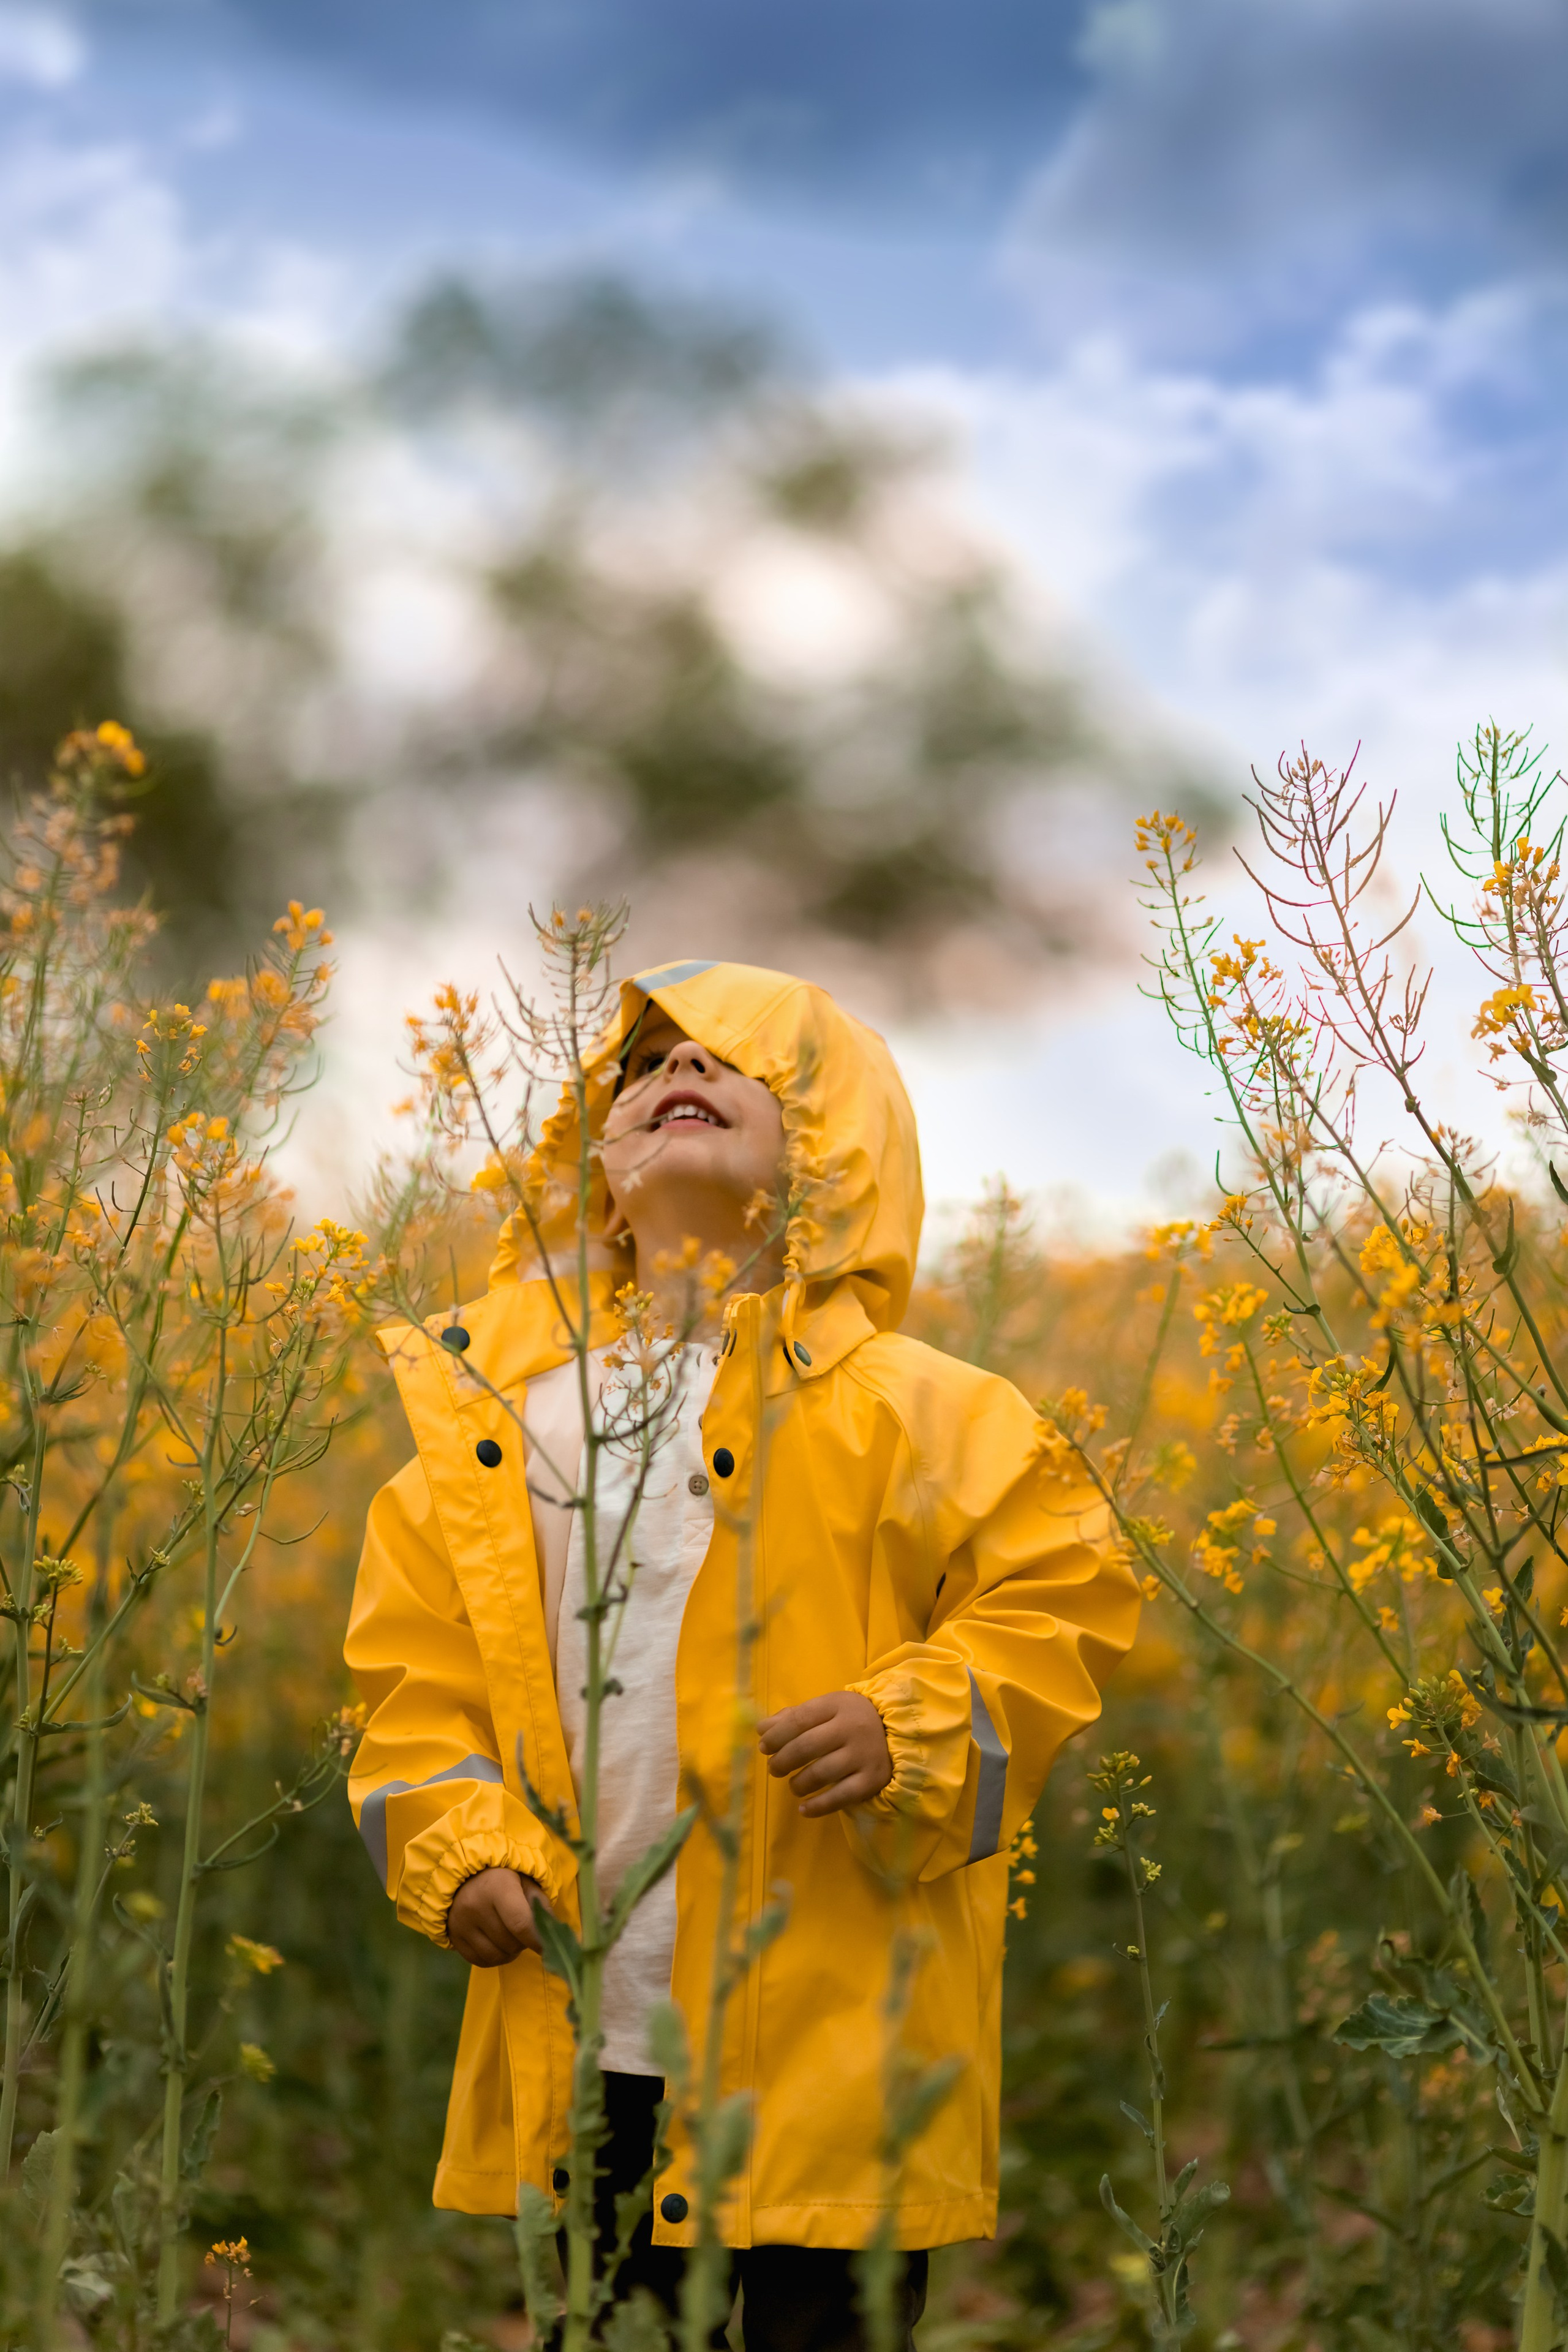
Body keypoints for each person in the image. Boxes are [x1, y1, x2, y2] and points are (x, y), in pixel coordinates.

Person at [345, 959, 1140, 2350]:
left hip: (831, 2064)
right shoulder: (494, 1419)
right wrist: (457, 1848)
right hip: (585, 2029)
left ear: (836, 1147)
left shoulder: (922, 1408)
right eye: (642, 1063)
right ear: (595, 1157)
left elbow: (1058, 1602)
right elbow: (415, 1681)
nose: (676, 1076)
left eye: (730, 1064)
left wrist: (915, 1724)